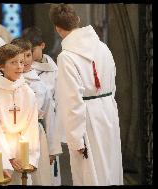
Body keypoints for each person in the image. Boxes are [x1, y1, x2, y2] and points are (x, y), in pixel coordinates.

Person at [49, 4, 123, 185]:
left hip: (87, 119)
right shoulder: (103, 47)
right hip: (108, 112)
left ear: (57, 28)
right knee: (110, 167)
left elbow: (71, 100)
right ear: (78, 20)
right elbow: (113, 81)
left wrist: (76, 140)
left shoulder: (66, 56)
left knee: (90, 172)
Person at [0, 44, 40, 185]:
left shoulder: (27, 92)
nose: (20, 66)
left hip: (22, 151)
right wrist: (8, 158)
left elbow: (32, 127)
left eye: (21, 62)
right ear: (1, 66)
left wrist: (29, 159)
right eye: (13, 62)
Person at [11, 38, 62, 186]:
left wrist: (53, 148)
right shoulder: (6, 83)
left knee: (39, 177)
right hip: (12, 136)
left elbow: (50, 117)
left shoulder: (41, 86)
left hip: (37, 136)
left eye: (28, 55)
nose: (25, 61)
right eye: (20, 57)